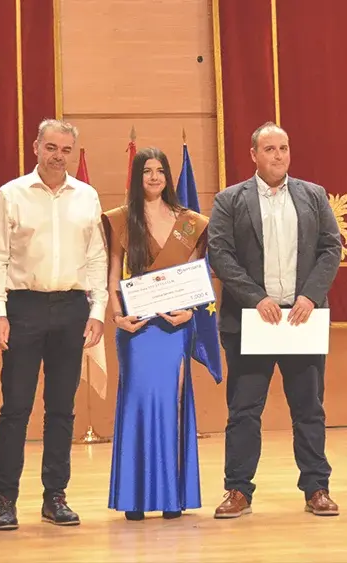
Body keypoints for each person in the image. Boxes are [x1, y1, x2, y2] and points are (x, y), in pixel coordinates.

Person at [207, 122, 342, 518]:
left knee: (309, 409)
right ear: (254, 155)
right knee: (245, 410)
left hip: (302, 318)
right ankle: (238, 490)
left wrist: (310, 296)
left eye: (283, 148)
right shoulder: (229, 200)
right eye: (269, 149)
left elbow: (331, 248)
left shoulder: (314, 196)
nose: (278, 155)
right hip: (253, 321)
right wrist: (256, 298)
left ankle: (317, 488)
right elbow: (220, 254)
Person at [0, 119, 108, 530]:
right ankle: (6, 498)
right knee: (15, 408)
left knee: (61, 410)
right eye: (51, 147)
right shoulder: (12, 194)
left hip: (73, 307)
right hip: (23, 308)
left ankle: (55, 495)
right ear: (36, 146)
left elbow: (96, 258)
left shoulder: (87, 196)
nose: (58, 156)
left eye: (66, 149)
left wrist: (96, 311)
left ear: (73, 152)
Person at [103, 147, 219, 521]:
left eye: (160, 171)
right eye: (146, 171)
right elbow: (112, 273)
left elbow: (198, 273)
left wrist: (190, 310)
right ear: (136, 178)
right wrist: (117, 316)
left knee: (172, 402)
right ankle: (133, 498)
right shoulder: (121, 219)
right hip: (136, 329)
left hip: (174, 327)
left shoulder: (190, 222)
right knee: (138, 402)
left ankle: (172, 495)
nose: (153, 177)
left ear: (169, 177)